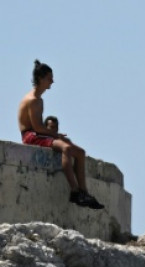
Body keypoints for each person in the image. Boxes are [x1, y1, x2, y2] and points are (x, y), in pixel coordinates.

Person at [17, 60, 103, 209]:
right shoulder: (33, 100)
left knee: (80, 152)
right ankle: (75, 191)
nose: (52, 81)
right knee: (67, 149)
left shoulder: (39, 100)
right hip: (30, 136)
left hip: (38, 134)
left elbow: (41, 129)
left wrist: (56, 135)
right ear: (41, 78)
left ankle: (84, 192)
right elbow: (37, 128)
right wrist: (56, 136)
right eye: (49, 78)